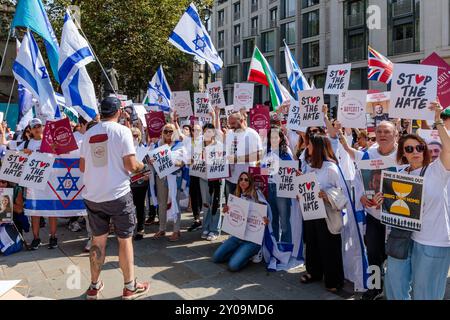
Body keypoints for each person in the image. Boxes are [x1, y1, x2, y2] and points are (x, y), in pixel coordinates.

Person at [80, 97, 149, 300]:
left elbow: (82, 167)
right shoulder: (122, 131)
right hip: (118, 194)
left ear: (101, 112)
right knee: (124, 239)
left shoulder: (89, 133)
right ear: (119, 111)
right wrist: (142, 167)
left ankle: (94, 286)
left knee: (97, 241)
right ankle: (129, 286)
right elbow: (130, 164)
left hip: (93, 195)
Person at [384, 102, 450, 300]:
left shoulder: (437, 170)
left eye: (419, 147)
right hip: (405, 238)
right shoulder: (400, 173)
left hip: (433, 241)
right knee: (396, 287)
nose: (415, 151)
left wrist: (438, 120)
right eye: (409, 148)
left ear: (425, 149)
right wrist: (382, 201)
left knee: (426, 294)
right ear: (403, 153)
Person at [339, 120, 398, 300]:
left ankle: (398, 290)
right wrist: (362, 196)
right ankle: (374, 288)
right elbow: (359, 179)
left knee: (395, 256)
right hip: (374, 215)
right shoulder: (368, 154)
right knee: (373, 252)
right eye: (379, 131)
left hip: (397, 218)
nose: (382, 134)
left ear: (395, 135)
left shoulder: (404, 155)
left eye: (387, 131)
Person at [299, 134, 345, 293]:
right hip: (311, 210)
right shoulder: (310, 164)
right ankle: (313, 272)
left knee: (329, 245)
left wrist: (327, 195)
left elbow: (341, 191)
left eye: (310, 145)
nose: (307, 148)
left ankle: (334, 280)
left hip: (327, 213)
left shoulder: (331, 168)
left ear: (317, 147)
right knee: (312, 243)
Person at [212, 172, 269, 271]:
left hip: (252, 240)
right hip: (237, 236)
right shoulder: (236, 195)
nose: (243, 181)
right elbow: (233, 217)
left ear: (250, 182)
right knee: (216, 258)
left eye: (246, 180)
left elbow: (266, 215)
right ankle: (239, 253)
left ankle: (249, 254)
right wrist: (226, 211)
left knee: (233, 266)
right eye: (241, 179)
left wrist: (266, 220)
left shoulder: (257, 196)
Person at [17, 118, 59, 250]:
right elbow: (13, 154)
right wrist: (23, 154)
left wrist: (55, 150)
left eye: (38, 126)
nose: (36, 128)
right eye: (33, 126)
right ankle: (36, 238)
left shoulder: (50, 142)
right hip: (33, 183)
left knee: (52, 212)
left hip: (50, 182)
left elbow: (60, 157)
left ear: (42, 127)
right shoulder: (26, 144)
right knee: (35, 212)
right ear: (30, 129)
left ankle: (53, 237)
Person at [150, 123, 186, 242]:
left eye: (171, 131)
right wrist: (151, 161)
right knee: (162, 203)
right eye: (166, 131)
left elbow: (183, 162)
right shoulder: (157, 145)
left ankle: (176, 230)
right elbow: (150, 160)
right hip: (161, 177)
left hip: (175, 177)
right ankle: (162, 228)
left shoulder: (179, 145)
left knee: (175, 202)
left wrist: (177, 164)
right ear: (162, 132)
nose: (169, 133)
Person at [263, 127, 293, 243]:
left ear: (281, 138)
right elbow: (263, 171)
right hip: (270, 188)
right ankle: (275, 248)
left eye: (276, 137)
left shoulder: (286, 152)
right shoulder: (267, 153)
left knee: (284, 221)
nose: (273, 140)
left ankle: (286, 248)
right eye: (271, 137)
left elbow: (291, 170)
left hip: (282, 189)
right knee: (273, 220)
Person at [225, 111, 263, 199]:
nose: (231, 126)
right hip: (230, 179)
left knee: (245, 208)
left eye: (233, 123)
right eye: (230, 124)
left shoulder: (252, 134)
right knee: (231, 208)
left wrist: (237, 159)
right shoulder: (229, 134)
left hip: (245, 181)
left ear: (241, 120)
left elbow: (259, 155)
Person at [130, 127, 149, 241]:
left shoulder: (143, 149)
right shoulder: (125, 149)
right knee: (129, 208)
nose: (135, 137)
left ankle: (141, 229)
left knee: (140, 206)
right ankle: (130, 229)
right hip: (128, 183)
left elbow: (147, 165)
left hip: (141, 183)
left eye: (137, 135)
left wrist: (146, 175)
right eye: (133, 135)